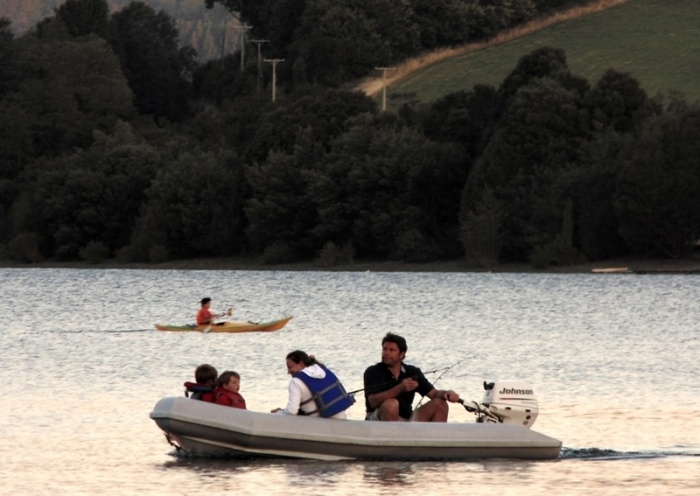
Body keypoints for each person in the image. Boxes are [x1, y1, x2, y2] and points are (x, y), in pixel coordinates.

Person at [363, 332, 460, 422]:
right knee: (391, 405)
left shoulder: (412, 372)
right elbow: (373, 402)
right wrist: (400, 388)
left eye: (391, 350)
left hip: (406, 420)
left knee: (440, 404)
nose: (386, 353)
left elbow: (434, 393)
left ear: (402, 355)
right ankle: (392, 438)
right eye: (385, 349)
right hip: (377, 420)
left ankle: (434, 439)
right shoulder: (372, 371)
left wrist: (447, 393)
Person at [271, 350, 354, 419]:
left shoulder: (295, 382)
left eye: (290, 367)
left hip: (317, 425)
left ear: (301, 364)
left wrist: (277, 413)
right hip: (342, 419)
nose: (288, 371)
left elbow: (292, 411)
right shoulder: (324, 371)